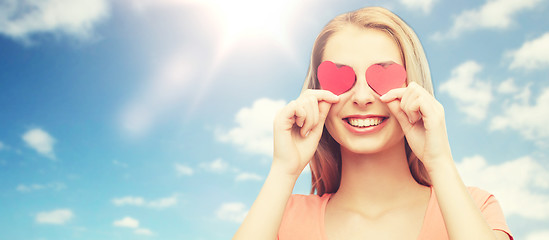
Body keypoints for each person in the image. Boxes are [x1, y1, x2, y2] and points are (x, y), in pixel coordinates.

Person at [233, 6, 513, 240]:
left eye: (383, 75)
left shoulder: (476, 208)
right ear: (317, 95)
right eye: (341, 78)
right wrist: (283, 170)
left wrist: (438, 160)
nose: (363, 97)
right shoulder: (282, 218)